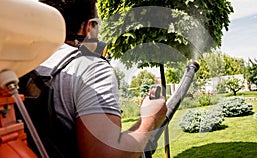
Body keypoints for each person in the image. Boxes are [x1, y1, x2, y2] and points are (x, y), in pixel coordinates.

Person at [32, 0, 167, 157]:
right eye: (97, 24)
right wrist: (150, 119)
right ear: (88, 27)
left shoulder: (24, 64)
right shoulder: (92, 69)